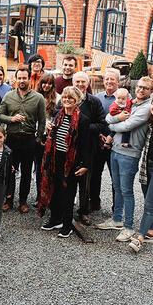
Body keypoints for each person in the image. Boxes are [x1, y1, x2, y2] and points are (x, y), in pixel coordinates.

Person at [97, 77, 152, 241]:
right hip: (115, 149)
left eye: (146, 88)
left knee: (127, 190)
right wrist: (116, 119)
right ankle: (117, 219)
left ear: (151, 91)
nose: (141, 90)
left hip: (130, 154)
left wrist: (114, 124)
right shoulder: (130, 102)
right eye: (140, 87)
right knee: (117, 187)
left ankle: (128, 227)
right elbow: (108, 116)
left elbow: (127, 126)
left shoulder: (146, 108)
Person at [39, 86, 91, 238]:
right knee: (54, 190)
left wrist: (85, 165)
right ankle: (55, 219)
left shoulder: (82, 119)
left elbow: (86, 145)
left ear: (77, 101)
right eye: (65, 97)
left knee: (68, 193)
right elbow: (49, 138)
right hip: (55, 158)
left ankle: (67, 225)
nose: (67, 100)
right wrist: (47, 130)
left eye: (71, 98)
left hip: (72, 161)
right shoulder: (57, 114)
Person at [0, 65, 46, 214]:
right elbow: (0, 114)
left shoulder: (38, 98)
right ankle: (8, 199)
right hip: (12, 139)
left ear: (29, 79)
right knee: (10, 171)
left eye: (25, 78)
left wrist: (38, 138)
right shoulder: (8, 96)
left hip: (28, 140)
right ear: (15, 79)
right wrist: (11, 118)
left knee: (26, 172)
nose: (22, 80)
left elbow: (42, 120)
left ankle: (23, 201)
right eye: (19, 78)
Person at [70, 71, 108, 225]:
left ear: (88, 84)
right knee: (67, 178)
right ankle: (65, 208)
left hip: (87, 147)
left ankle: (84, 211)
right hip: (69, 147)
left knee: (85, 181)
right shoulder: (67, 98)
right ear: (73, 83)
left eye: (83, 82)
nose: (80, 85)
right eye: (77, 82)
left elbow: (101, 123)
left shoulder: (94, 102)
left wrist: (83, 127)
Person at [91, 68, 119, 212]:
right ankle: (94, 202)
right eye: (107, 79)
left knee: (115, 177)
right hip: (98, 142)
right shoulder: (97, 97)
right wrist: (99, 135)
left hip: (115, 143)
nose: (109, 81)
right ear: (103, 81)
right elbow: (94, 118)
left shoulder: (123, 98)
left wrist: (111, 137)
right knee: (95, 174)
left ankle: (116, 207)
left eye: (112, 79)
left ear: (118, 82)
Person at [34, 73, 59, 210]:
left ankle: (49, 195)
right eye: (44, 82)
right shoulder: (35, 96)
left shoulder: (58, 98)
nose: (46, 86)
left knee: (49, 168)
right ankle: (39, 196)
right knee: (39, 168)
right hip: (37, 135)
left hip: (50, 137)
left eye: (50, 83)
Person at [129, 114, 153, 252]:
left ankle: (140, 239)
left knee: (149, 205)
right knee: (147, 197)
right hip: (147, 166)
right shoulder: (149, 124)